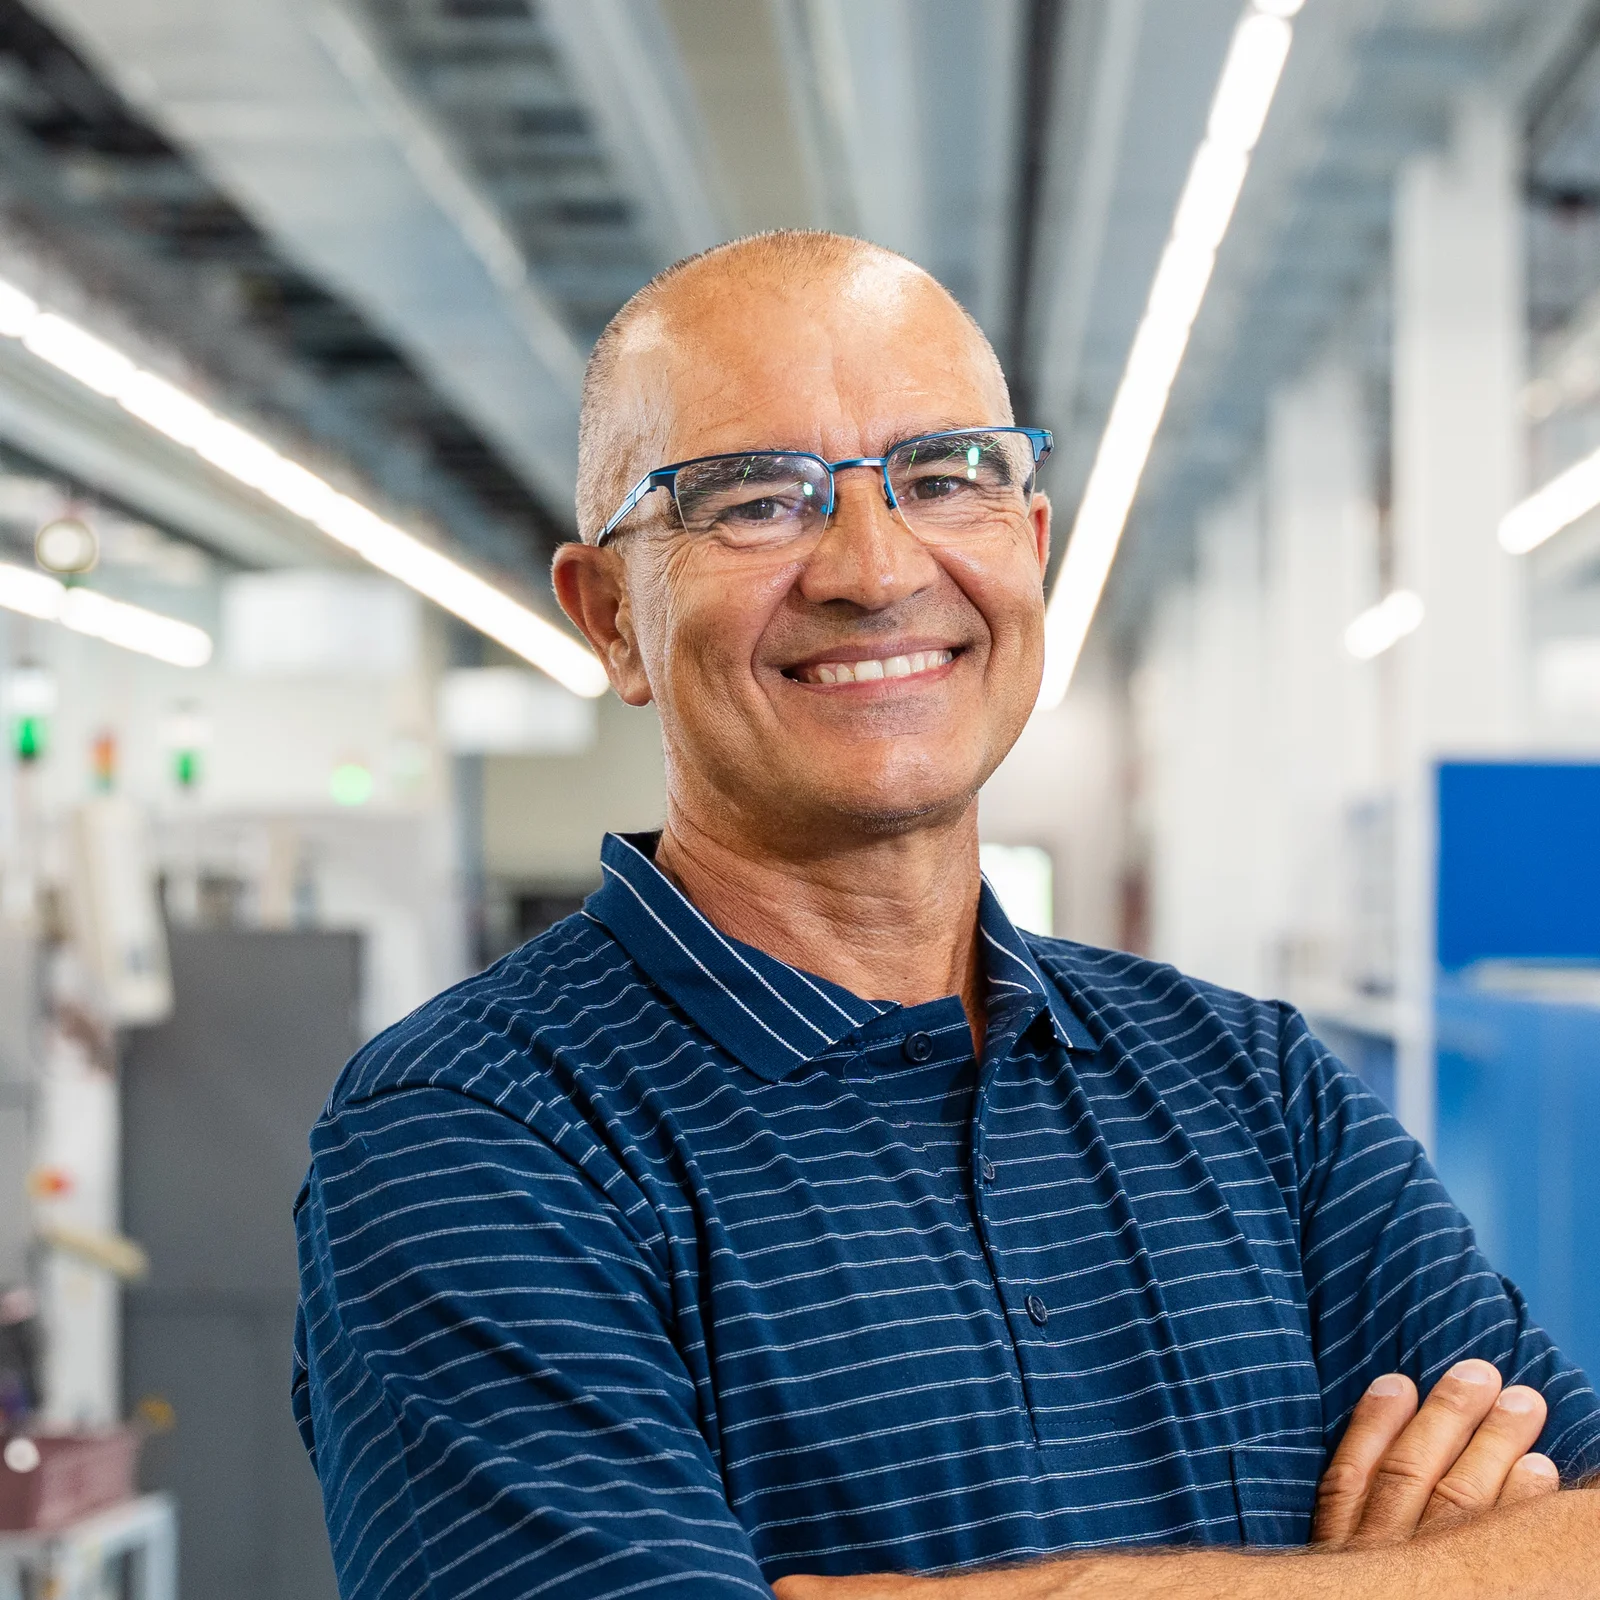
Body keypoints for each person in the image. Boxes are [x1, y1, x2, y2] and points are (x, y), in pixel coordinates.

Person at [292, 231, 1600, 1599]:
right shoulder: (475, 1136)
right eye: (754, 498)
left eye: (945, 476)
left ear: (1028, 547)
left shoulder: (1258, 1096)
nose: (873, 566)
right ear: (612, 615)